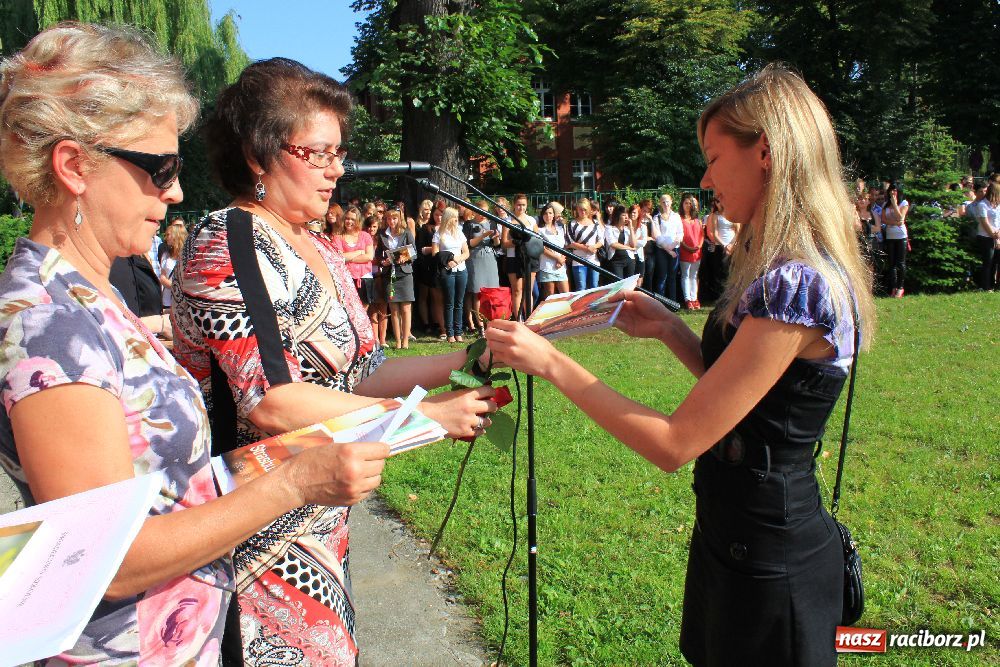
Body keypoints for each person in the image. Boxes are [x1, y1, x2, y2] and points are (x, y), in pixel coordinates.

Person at [0, 23, 392, 665]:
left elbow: (165, 485)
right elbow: (111, 560)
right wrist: (293, 483)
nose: (176, 192)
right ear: (74, 165)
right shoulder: (50, 320)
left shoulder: (86, 297)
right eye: (159, 169)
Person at [486, 64, 875, 666]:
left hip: (773, 560)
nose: (705, 176)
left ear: (766, 152)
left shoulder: (797, 284)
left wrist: (553, 364)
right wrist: (670, 329)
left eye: (716, 157)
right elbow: (751, 401)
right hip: (737, 538)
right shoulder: (780, 269)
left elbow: (675, 443)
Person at [172, 57, 497, 665]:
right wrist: (425, 420)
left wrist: (473, 356)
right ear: (257, 155)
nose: (337, 172)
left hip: (317, 522)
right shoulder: (230, 240)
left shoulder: (314, 243)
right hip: (251, 536)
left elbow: (365, 369)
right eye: (317, 154)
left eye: (338, 154)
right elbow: (272, 401)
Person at [378, 206, 416, 348]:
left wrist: (404, 257)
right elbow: (378, 254)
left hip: (405, 273)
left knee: (406, 309)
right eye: (388, 218)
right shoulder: (382, 234)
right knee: (394, 309)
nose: (391, 221)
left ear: (399, 219)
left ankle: (405, 340)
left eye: (394, 218)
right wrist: (383, 261)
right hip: (390, 274)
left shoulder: (405, 232)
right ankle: (398, 340)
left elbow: (414, 252)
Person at [433, 206, 471, 342]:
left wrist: (457, 259)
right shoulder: (439, 233)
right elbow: (435, 253)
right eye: (454, 218)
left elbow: (466, 252)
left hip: (461, 270)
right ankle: (450, 333)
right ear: (448, 219)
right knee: (449, 302)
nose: (456, 221)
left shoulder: (460, 233)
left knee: (459, 302)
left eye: (457, 218)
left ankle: (458, 332)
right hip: (447, 270)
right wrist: (447, 261)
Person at [463, 198, 501, 334]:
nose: (482, 214)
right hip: (475, 258)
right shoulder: (469, 224)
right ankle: (480, 325)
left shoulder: (492, 222)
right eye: (480, 212)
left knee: (491, 292)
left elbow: (496, 244)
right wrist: (483, 235)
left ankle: (491, 322)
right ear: (474, 211)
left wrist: (496, 237)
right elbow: (470, 243)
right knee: (477, 293)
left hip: (489, 257)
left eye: (485, 212)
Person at [501, 193, 540, 317]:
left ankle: (529, 319)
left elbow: (537, 240)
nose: (521, 208)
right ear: (514, 205)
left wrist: (529, 242)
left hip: (529, 258)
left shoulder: (531, 220)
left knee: (528, 291)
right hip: (514, 258)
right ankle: (519, 319)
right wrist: (516, 242)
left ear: (527, 205)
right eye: (518, 205)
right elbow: (504, 243)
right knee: (517, 290)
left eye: (523, 205)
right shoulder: (507, 221)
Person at [331, 205, 376, 306]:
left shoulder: (365, 236)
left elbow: (369, 257)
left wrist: (348, 258)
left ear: (358, 221)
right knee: (349, 309)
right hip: (346, 278)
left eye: (352, 219)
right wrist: (359, 252)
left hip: (365, 277)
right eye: (347, 218)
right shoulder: (338, 237)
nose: (349, 221)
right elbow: (340, 257)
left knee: (364, 312)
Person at [566, 197, 604, 291]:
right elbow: (570, 242)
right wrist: (587, 248)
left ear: (589, 210)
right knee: (581, 288)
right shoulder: (572, 224)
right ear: (577, 209)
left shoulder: (595, 223)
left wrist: (593, 247)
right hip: (578, 260)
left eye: (585, 209)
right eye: (580, 209)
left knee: (594, 287)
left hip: (594, 260)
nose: (583, 212)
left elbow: (601, 240)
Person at [881, 182, 909, 297]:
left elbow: (900, 217)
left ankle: (900, 287)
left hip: (901, 236)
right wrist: (895, 223)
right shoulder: (885, 205)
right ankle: (893, 287)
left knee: (900, 263)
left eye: (895, 190)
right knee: (891, 263)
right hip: (890, 236)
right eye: (891, 190)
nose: (893, 192)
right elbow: (884, 220)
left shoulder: (904, 203)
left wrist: (895, 204)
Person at [537, 202, 570, 298]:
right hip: (547, 266)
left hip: (561, 267)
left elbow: (565, 246)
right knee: (550, 296)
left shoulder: (560, 228)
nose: (548, 216)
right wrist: (557, 258)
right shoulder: (540, 230)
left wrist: (562, 259)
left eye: (550, 213)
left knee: (566, 296)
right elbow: (542, 248)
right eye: (545, 213)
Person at [653, 194, 683, 299]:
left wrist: (674, 244)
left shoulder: (676, 216)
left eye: (667, 201)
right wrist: (668, 249)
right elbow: (657, 236)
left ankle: (673, 303)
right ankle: (660, 303)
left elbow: (680, 233)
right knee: (662, 277)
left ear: (671, 202)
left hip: (675, 249)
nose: (666, 204)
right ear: (660, 203)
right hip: (662, 250)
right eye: (663, 202)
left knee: (672, 277)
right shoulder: (657, 218)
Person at [972, 180, 1000, 290]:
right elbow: (984, 222)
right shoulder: (982, 205)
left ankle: (994, 285)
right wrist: (994, 235)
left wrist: (998, 235)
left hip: (997, 237)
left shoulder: (997, 206)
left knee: (996, 263)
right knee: (988, 262)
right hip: (985, 237)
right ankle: (986, 286)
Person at [678, 193, 704, 310]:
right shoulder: (679, 219)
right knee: (686, 275)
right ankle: (687, 299)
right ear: (682, 204)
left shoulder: (697, 220)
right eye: (686, 203)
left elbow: (702, 235)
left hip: (697, 252)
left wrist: (699, 245)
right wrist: (687, 247)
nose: (688, 205)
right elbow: (679, 236)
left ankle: (695, 298)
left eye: (690, 203)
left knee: (694, 276)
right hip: (685, 251)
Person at [159, 218, 187, 313]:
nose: (166, 237)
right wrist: (173, 286)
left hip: (182, 301)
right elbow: (162, 276)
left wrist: (176, 287)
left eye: (168, 235)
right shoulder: (166, 254)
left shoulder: (187, 255)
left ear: (176, 236)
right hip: (167, 301)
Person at [605, 205, 636, 278]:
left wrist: (631, 228)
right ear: (617, 216)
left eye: (627, 215)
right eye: (623, 215)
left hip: (629, 259)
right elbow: (613, 244)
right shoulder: (609, 228)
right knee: (619, 285)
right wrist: (629, 248)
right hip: (616, 261)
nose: (626, 217)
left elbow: (633, 245)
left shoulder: (628, 229)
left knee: (629, 285)